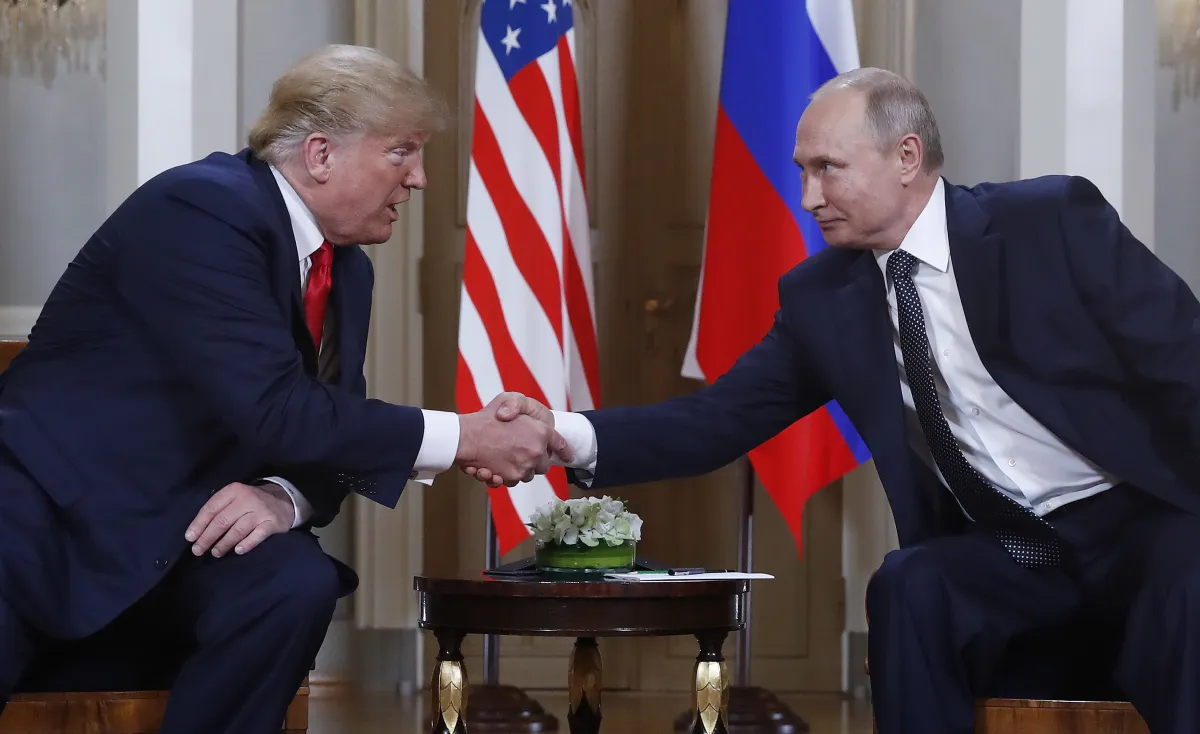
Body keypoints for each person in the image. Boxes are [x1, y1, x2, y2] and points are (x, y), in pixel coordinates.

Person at [465, 67, 1200, 734]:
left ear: (906, 158)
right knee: (913, 583)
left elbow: (1183, 362)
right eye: (803, 172)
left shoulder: (1049, 222)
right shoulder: (824, 298)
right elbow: (719, 420)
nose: (809, 196)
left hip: (1137, 526)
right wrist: (563, 433)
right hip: (1008, 553)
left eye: (828, 170)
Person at [0, 44, 569, 733]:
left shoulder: (346, 268)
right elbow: (278, 409)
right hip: (51, 524)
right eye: (401, 152)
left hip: (181, 530)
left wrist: (284, 496)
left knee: (292, 583)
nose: (418, 179)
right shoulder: (202, 210)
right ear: (321, 155)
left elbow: (330, 425)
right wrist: (465, 435)